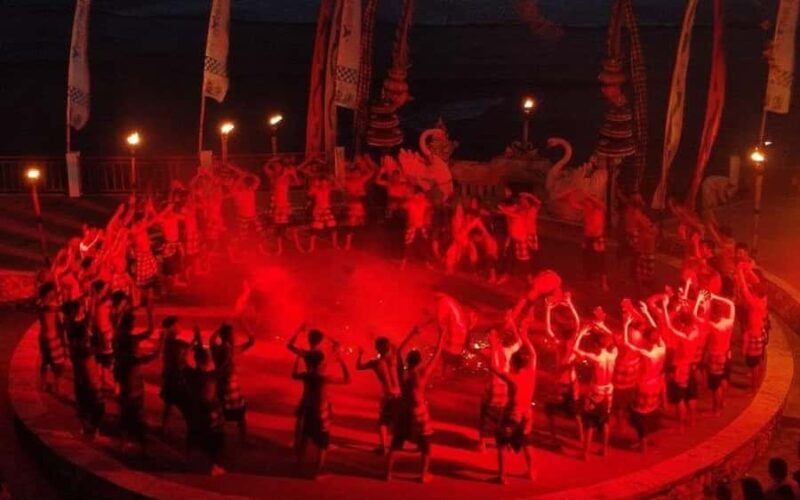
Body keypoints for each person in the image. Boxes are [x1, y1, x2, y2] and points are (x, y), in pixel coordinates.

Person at [386, 327, 445, 483]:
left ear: (408, 361)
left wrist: (411, 334)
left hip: (404, 411)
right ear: (419, 361)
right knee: (426, 445)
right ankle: (423, 475)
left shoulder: (402, 372)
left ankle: (388, 474)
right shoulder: (422, 374)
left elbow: (398, 352)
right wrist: (441, 336)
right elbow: (437, 354)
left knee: (396, 443)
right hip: (419, 412)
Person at [488, 310, 538, 483]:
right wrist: (524, 334)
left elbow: (493, 367)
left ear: (514, 363)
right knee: (527, 443)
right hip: (527, 415)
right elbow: (532, 353)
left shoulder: (513, 378)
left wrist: (492, 345)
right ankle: (531, 472)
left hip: (513, 415)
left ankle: (502, 476)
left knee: (501, 441)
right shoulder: (531, 373)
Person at [292, 342, 351, 478]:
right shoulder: (324, 379)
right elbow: (347, 379)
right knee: (323, 442)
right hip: (320, 413)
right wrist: (341, 361)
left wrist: (298, 358)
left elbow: (294, 375)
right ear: (320, 363)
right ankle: (318, 472)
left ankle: (298, 465)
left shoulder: (306, 376)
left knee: (305, 438)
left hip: (309, 410)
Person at [114, 307, 160, 454]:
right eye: (133, 322)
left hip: (127, 380)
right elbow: (141, 357)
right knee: (135, 414)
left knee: (126, 413)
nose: (134, 324)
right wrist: (157, 351)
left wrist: (146, 310)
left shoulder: (120, 336)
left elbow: (148, 332)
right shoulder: (129, 342)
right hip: (131, 383)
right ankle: (140, 445)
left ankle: (124, 442)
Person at [624, 302, 665, 453]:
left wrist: (626, 324)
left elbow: (627, 342)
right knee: (651, 412)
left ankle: (643, 444)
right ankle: (649, 439)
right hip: (656, 384)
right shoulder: (662, 349)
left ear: (648, 340)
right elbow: (657, 332)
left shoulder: (646, 353)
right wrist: (647, 312)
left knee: (639, 415)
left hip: (644, 385)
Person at [184, 328, 226, 476]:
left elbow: (188, 357)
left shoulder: (192, 373)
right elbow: (213, 359)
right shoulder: (211, 375)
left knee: (194, 433)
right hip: (210, 412)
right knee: (214, 439)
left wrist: (196, 340)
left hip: (196, 409)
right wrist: (203, 341)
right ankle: (214, 466)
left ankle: (188, 458)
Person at [573, 322, 618, 459]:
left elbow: (574, 348)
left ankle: (585, 453)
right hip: (608, 391)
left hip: (596, 391)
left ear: (597, 345)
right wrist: (602, 326)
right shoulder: (613, 355)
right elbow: (614, 338)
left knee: (590, 422)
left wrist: (581, 333)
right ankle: (604, 449)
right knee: (604, 421)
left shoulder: (595, 358)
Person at [62, 300, 105, 438]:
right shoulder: (85, 348)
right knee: (95, 404)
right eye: (79, 309)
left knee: (84, 403)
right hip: (89, 381)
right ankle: (92, 429)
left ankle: (87, 428)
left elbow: (88, 319)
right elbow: (89, 320)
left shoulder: (72, 331)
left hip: (82, 379)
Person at [543, 293, 581, 445]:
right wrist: (569, 304)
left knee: (553, 412)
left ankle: (556, 437)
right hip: (566, 383)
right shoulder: (566, 344)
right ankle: (578, 438)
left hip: (565, 384)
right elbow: (577, 323)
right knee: (569, 413)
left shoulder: (562, 344)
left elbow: (548, 330)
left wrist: (548, 309)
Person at [356, 336, 403, 454]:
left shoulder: (375, 363)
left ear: (377, 349)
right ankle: (397, 445)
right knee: (398, 421)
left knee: (383, 422)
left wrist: (360, 354)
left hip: (388, 396)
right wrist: (413, 333)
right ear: (388, 347)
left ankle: (383, 447)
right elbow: (399, 346)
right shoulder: (394, 358)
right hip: (399, 395)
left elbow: (359, 366)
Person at [662, 295, 701, 430]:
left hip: (679, 367)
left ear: (683, 323)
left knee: (680, 398)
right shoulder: (696, 331)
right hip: (690, 366)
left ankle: (681, 424)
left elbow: (668, 325)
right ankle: (693, 419)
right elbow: (693, 318)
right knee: (691, 395)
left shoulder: (683, 336)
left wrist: (665, 307)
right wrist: (684, 308)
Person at [210, 323, 255, 441]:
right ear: (227, 336)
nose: (234, 336)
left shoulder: (229, 349)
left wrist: (244, 322)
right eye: (231, 334)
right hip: (226, 385)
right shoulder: (224, 350)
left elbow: (251, 341)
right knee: (230, 414)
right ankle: (227, 440)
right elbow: (212, 340)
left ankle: (241, 439)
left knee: (233, 414)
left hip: (229, 385)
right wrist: (220, 328)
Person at [479, 327, 520, 452]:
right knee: (486, 415)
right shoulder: (486, 351)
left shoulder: (506, 351)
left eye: (492, 335)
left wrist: (513, 326)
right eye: (489, 336)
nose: (490, 338)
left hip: (504, 389)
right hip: (492, 388)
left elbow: (519, 342)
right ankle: (482, 442)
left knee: (503, 417)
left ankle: (506, 442)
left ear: (497, 338)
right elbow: (470, 348)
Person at [697, 291, 736, 414]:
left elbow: (697, 318)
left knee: (715, 385)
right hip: (726, 354)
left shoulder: (712, 326)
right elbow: (731, 304)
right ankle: (722, 402)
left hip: (715, 356)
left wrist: (701, 301)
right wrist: (716, 297)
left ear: (713, 313)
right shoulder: (728, 321)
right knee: (723, 380)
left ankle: (716, 409)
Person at [736, 261, 769, 390]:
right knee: (758, 360)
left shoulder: (754, 302)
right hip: (759, 332)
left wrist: (740, 271)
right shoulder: (763, 298)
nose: (752, 289)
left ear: (756, 293)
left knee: (753, 363)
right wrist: (749, 271)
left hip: (754, 335)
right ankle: (758, 379)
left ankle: (754, 386)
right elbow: (756, 283)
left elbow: (744, 288)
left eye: (754, 290)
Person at [264, 158, 303, 255]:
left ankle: (298, 246)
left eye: (279, 166)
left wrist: (294, 174)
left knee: (291, 227)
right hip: (276, 205)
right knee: (279, 228)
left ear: (281, 167)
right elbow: (265, 167)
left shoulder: (286, 177)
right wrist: (272, 160)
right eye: (276, 166)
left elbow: (298, 183)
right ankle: (279, 248)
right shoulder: (273, 176)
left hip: (285, 206)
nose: (277, 167)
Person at [159, 316, 190, 433]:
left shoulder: (167, 339)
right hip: (174, 377)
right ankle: (194, 429)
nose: (180, 327)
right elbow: (183, 350)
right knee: (186, 404)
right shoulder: (171, 341)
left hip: (170, 376)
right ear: (172, 327)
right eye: (177, 325)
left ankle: (164, 426)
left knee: (169, 403)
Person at [36, 282, 67, 395]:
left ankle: (46, 384)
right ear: (47, 292)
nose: (54, 293)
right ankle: (55, 386)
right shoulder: (49, 305)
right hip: (52, 339)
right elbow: (52, 309)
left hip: (45, 338)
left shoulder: (42, 304)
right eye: (52, 291)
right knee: (57, 364)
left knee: (46, 362)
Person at [342, 155, 376, 251]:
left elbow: (371, 173)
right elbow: (340, 176)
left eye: (358, 173)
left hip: (360, 205)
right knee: (351, 225)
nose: (357, 174)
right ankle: (347, 243)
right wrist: (346, 165)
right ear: (352, 173)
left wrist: (365, 162)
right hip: (352, 205)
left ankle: (360, 243)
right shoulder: (347, 181)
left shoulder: (361, 179)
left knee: (362, 224)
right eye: (355, 173)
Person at [89, 279, 116, 394]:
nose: (106, 290)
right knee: (100, 357)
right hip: (98, 332)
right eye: (104, 288)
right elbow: (91, 315)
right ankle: (101, 380)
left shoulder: (107, 301)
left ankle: (108, 381)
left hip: (106, 331)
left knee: (108, 357)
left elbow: (113, 314)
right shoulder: (93, 301)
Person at [306, 172, 339, 252]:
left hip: (327, 210)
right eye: (323, 183)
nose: (324, 184)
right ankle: (311, 247)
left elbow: (338, 186)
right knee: (315, 229)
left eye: (326, 183)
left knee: (333, 227)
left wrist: (333, 179)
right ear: (320, 183)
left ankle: (335, 244)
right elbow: (309, 193)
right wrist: (314, 184)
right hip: (319, 210)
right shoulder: (316, 189)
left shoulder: (329, 188)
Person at [401, 186, 432, 269]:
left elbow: (430, 205)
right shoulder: (410, 203)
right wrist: (410, 197)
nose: (420, 196)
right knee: (408, 244)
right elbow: (402, 206)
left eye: (422, 195)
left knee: (425, 245)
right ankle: (404, 262)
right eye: (419, 195)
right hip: (412, 227)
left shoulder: (425, 202)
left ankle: (427, 262)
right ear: (415, 195)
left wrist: (427, 218)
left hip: (421, 227)